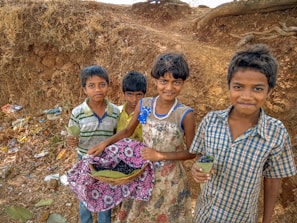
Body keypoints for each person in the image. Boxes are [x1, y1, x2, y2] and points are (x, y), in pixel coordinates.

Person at [190, 44, 297, 223]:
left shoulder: (275, 133)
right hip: (204, 215)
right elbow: (202, 155)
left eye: (257, 89)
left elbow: (272, 180)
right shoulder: (211, 121)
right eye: (238, 87)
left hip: (240, 218)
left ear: (269, 91)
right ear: (229, 86)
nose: (246, 96)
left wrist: (267, 220)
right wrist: (197, 168)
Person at [88, 52, 196, 222]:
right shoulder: (145, 105)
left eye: (176, 82)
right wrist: (105, 144)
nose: (169, 87)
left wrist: (160, 156)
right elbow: (128, 131)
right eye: (164, 81)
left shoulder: (184, 114)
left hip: (170, 182)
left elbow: (192, 152)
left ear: (183, 82)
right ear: (155, 81)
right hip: (143, 174)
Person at [66, 65, 120, 223]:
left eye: (102, 84)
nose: (98, 89)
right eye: (91, 86)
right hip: (84, 160)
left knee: (106, 196)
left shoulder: (115, 112)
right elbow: (71, 136)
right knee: (85, 194)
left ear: (108, 86)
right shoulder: (78, 113)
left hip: (107, 162)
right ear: (84, 89)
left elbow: (117, 137)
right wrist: (71, 140)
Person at [117, 70, 147, 141]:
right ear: (124, 94)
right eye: (130, 94)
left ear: (144, 95)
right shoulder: (117, 112)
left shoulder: (146, 114)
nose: (134, 99)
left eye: (139, 95)